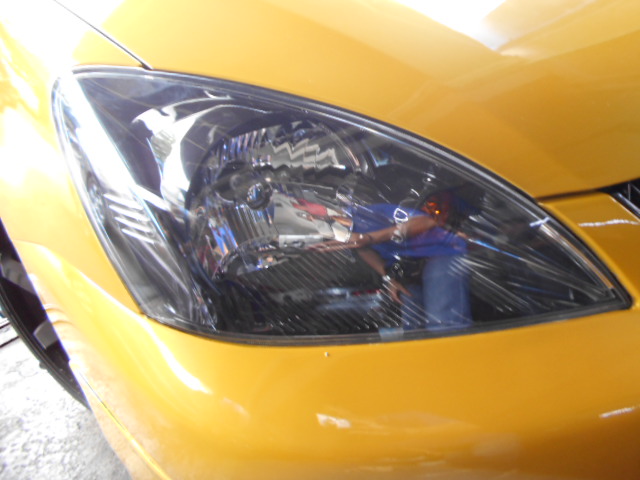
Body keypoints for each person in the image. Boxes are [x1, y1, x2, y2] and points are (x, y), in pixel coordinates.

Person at [314, 193, 471, 331]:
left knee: (443, 323)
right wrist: (389, 276)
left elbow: (425, 222)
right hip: (407, 268)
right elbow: (363, 250)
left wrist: (369, 237)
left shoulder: (368, 212)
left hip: (441, 254)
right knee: (413, 329)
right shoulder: (338, 233)